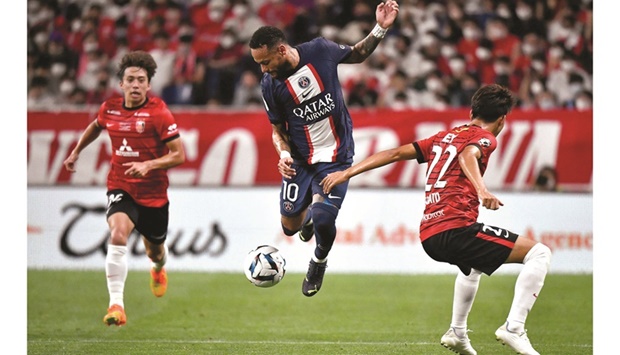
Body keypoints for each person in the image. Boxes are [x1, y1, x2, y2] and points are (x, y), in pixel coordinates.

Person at [320, 84, 551, 355]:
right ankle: (514, 328)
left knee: (471, 267)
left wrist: (347, 173)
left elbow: (394, 153)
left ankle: (457, 332)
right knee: (539, 253)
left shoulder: (443, 137)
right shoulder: (486, 137)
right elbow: (468, 155)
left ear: (471, 111)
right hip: (456, 228)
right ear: (502, 120)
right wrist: (481, 189)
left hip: (430, 235)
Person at [248, 0, 399, 297]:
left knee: (324, 217)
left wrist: (380, 28)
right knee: (290, 226)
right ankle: (307, 223)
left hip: (336, 156)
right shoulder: (270, 86)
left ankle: (318, 261)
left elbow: (357, 54)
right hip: (300, 160)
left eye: (265, 62)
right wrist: (284, 154)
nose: (263, 69)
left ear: (281, 50)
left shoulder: (320, 50)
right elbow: (277, 129)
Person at [63, 51, 186, 326]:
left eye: (141, 80)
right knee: (117, 234)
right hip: (121, 185)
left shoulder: (159, 113)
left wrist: (150, 165)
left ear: (148, 85)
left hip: (154, 194)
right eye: (130, 79)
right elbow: (96, 126)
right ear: (121, 84)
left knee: (155, 250)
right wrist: (76, 152)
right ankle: (116, 305)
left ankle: (157, 268)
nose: (135, 84)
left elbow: (179, 155)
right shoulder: (110, 109)